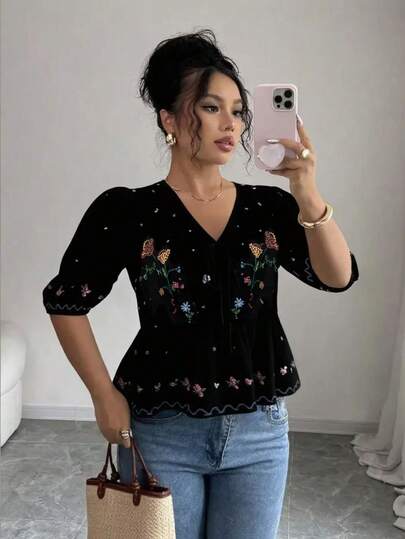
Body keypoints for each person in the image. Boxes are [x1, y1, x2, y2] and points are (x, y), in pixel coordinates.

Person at [42, 28, 359, 539]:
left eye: (238, 111)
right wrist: (103, 395)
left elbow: (337, 276)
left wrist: (306, 189)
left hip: (259, 432)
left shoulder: (270, 208)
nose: (231, 123)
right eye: (211, 108)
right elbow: (66, 301)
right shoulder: (127, 211)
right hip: (161, 430)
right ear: (169, 119)